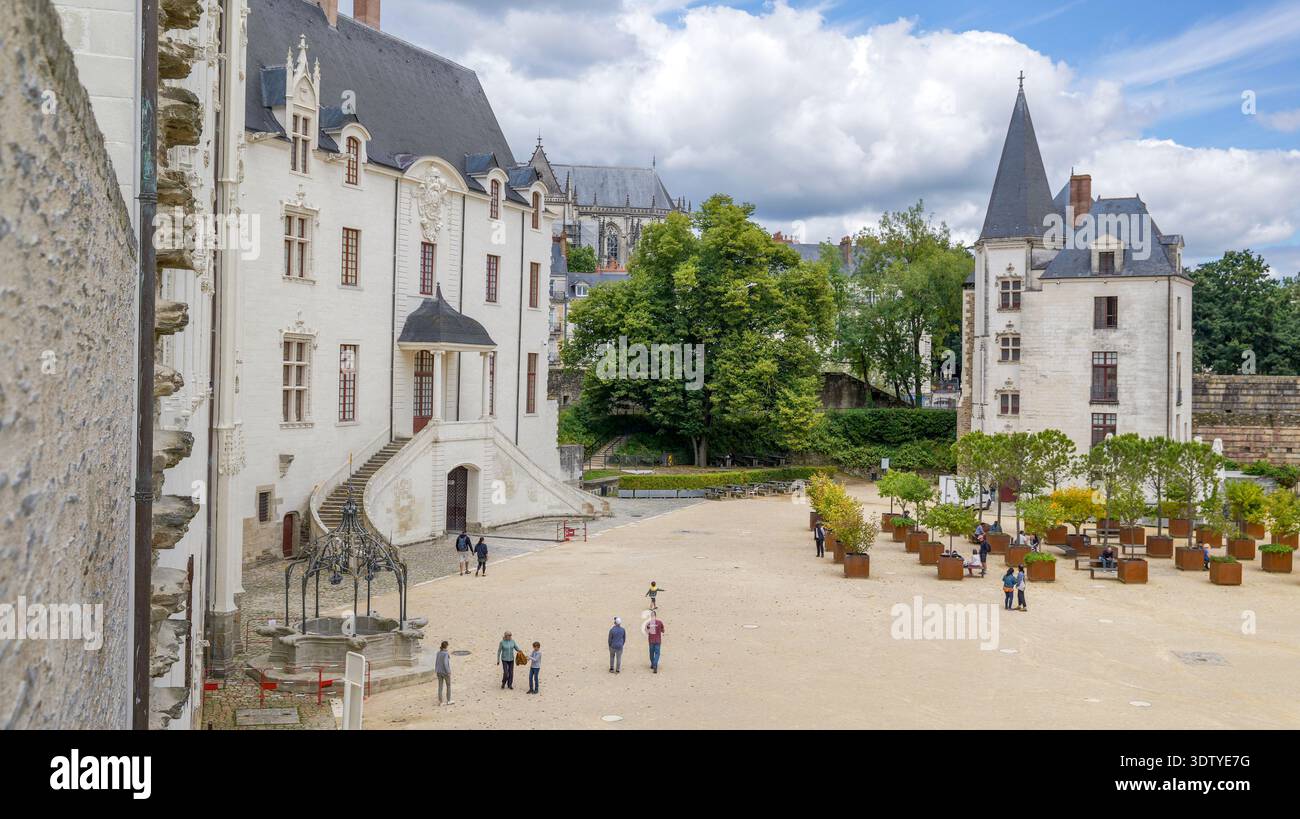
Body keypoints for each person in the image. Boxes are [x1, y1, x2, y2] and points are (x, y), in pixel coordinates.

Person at [435, 640, 454, 705]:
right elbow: (445, 663)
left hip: (439, 672)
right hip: (445, 672)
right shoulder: (445, 654)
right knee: (448, 686)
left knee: (440, 686)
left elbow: (436, 662)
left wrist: (436, 670)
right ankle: (448, 700)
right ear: (446, 646)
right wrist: (448, 671)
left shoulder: (438, 653)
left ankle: (441, 701)